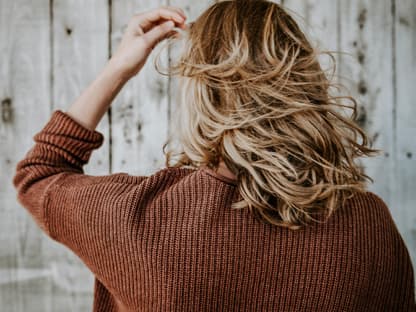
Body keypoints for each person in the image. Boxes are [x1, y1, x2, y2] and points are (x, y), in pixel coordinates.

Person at [12, 1, 415, 311]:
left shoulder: (140, 217)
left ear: (201, 95)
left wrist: (119, 67)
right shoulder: (370, 225)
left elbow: (40, 172)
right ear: (306, 85)